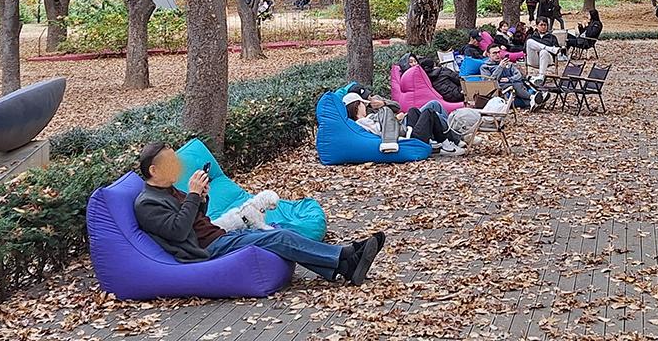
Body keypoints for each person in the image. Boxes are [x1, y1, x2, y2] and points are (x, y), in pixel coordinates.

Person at [133, 142, 384, 285]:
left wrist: (202, 197)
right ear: (154, 170)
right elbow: (178, 231)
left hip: (216, 235)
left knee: (276, 233)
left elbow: (195, 218)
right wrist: (193, 195)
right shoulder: (147, 203)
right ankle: (346, 255)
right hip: (206, 248)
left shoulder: (169, 189)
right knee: (277, 237)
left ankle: (344, 266)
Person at [343, 91, 466, 155]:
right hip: (407, 137)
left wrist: (385, 106)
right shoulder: (362, 123)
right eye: (363, 104)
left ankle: (450, 138)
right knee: (429, 113)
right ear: (357, 106)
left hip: (405, 130)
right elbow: (383, 130)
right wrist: (395, 119)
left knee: (413, 110)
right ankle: (447, 144)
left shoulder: (368, 116)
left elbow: (396, 107)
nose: (366, 105)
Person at [480, 45, 547, 110]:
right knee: (516, 84)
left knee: (520, 82)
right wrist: (500, 67)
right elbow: (489, 82)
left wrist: (510, 79)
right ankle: (533, 97)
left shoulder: (507, 63)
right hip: (499, 86)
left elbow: (518, 75)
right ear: (488, 54)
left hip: (514, 83)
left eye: (499, 52)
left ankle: (533, 101)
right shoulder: (485, 67)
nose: (497, 55)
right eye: (494, 53)